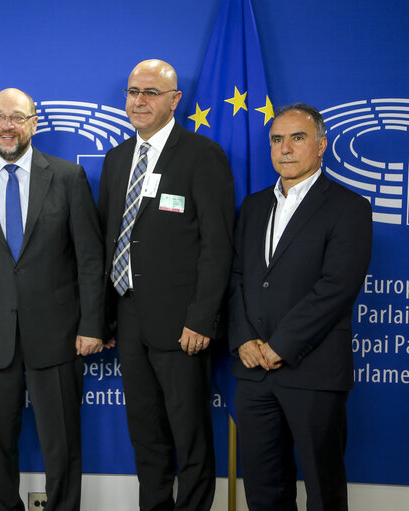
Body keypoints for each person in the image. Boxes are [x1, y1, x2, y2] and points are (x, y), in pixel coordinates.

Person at [0, 87, 106, 511]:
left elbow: (90, 259)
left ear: (34, 123)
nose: (7, 126)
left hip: (58, 333)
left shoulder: (69, 177)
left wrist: (93, 324)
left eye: (17, 117)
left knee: (63, 445)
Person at [97, 59, 234, 510]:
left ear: (175, 100)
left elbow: (217, 246)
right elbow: (110, 241)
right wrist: (104, 319)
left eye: (151, 92)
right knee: (146, 433)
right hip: (129, 317)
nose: (139, 101)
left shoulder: (201, 155)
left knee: (189, 436)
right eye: (133, 91)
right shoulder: (118, 159)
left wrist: (201, 318)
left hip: (182, 325)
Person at [229, 103, 372, 511]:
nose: (285, 149)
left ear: (321, 145)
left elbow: (337, 288)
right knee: (263, 491)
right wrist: (243, 340)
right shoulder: (254, 207)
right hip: (254, 373)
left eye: (298, 138)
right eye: (277, 139)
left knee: (323, 491)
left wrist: (282, 346)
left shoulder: (350, 207)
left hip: (313, 371)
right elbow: (235, 277)